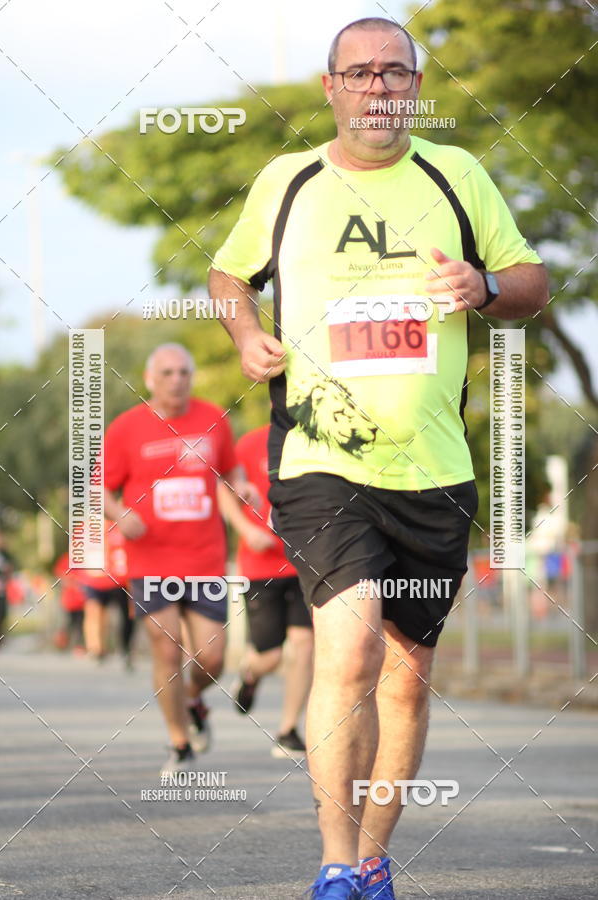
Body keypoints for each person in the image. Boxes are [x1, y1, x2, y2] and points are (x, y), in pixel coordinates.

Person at [209, 16, 548, 899]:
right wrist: (245, 332)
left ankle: (371, 857)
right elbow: (228, 274)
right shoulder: (288, 181)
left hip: (434, 469)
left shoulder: (457, 174)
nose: (378, 87)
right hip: (321, 461)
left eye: (394, 72)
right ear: (331, 87)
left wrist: (484, 286)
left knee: (405, 680)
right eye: (358, 73)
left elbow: (531, 282)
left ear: (415, 85)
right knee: (351, 647)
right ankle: (333, 863)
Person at [103, 343, 257, 774]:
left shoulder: (214, 419)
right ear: (150, 379)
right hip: (150, 559)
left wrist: (242, 487)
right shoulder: (126, 427)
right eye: (167, 373)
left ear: (192, 377)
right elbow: (98, 489)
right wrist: (120, 515)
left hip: (205, 559)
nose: (176, 380)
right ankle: (179, 742)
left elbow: (230, 469)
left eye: (184, 372)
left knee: (213, 659)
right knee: (166, 648)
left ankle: (192, 698)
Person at [222, 424, 314, 757]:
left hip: (307, 563)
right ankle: (250, 674)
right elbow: (224, 489)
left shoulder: (319, 435)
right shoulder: (251, 442)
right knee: (270, 656)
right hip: (261, 565)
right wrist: (246, 530)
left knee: (304, 644)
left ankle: (288, 730)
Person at [79, 520, 135, 668]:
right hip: (94, 579)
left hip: (120, 580)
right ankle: (96, 649)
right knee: (94, 614)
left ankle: (125, 649)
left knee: (126, 616)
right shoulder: (86, 526)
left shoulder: (121, 523)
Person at [54, 553, 86, 654]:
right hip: (68, 600)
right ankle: (62, 644)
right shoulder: (66, 559)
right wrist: (72, 581)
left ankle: (78, 645)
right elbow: (60, 575)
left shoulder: (85, 559)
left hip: (82, 600)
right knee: (67, 624)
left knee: (80, 624)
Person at [0, 531, 14, 647]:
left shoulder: (5, 555)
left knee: (2, 615)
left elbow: (10, 570)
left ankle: (0, 638)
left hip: (2, 591)